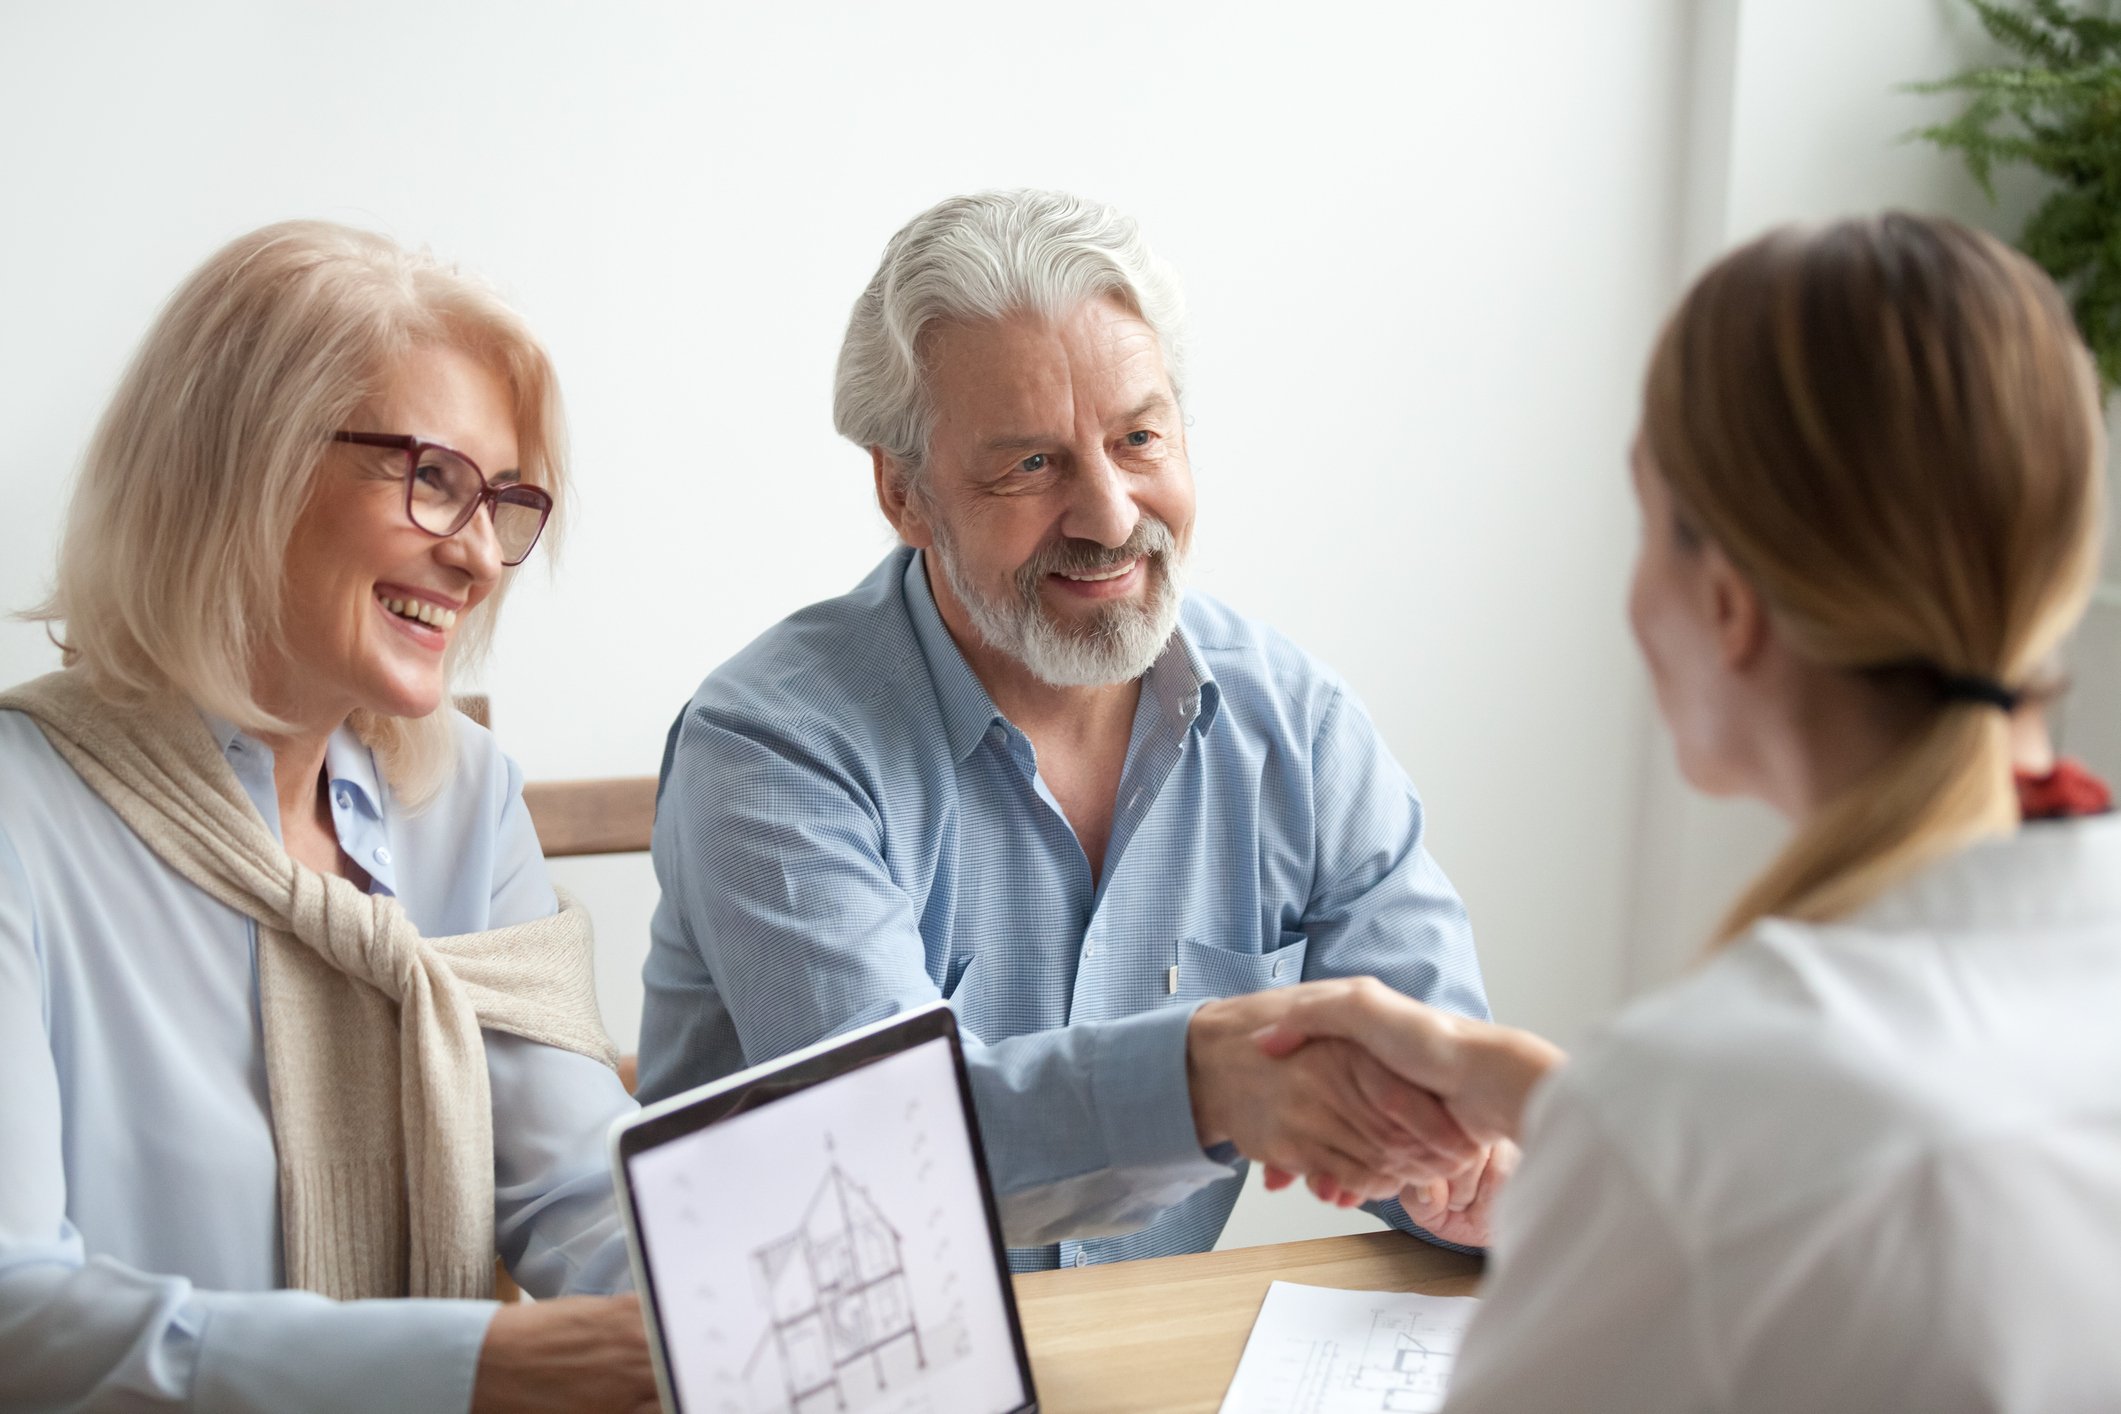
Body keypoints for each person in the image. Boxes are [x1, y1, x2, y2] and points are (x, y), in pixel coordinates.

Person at [1258, 213, 2121, 1410]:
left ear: (1726, 604)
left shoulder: (1706, 1115)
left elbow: (1763, 1170)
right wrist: (1548, 1097)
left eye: (1648, 520)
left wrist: (1626, 1130)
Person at [636, 189, 1497, 1272]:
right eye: (1032, 466)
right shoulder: (769, 748)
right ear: (905, 495)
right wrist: (1203, 1080)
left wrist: (1470, 1172)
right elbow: (891, 1157)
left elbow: (1446, 1115)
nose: (1110, 516)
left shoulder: (1300, 730)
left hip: (1146, 1371)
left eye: (1139, 438)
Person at [0, 222, 657, 1413]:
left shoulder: (465, 794)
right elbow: (15, 1315)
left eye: (501, 499)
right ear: (239, 466)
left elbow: (572, 1189)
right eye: (433, 478)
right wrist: (474, 1367)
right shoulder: (17, 815)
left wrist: (727, 1289)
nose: (477, 556)